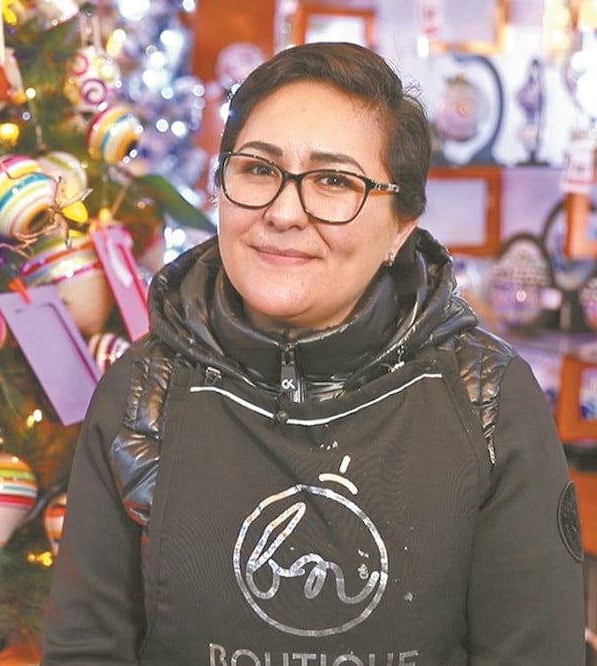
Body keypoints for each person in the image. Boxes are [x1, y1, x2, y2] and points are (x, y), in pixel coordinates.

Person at [41, 42, 585, 665]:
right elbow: (86, 649)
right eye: (257, 170)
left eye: (333, 181)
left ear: (403, 225)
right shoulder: (144, 393)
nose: (283, 212)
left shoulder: (486, 398)